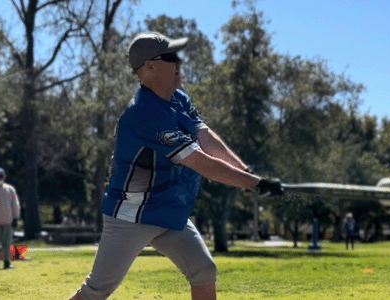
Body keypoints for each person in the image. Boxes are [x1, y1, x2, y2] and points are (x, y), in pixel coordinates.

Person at [67, 32, 284, 300]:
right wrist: (254, 184)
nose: (179, 62)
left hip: (168, 210)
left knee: (203, 270)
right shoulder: (143, 113)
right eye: (171, 57)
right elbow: (198, 161)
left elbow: (206, 137)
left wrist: (248, 174)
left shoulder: (179, 100)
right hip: (132, 216)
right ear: (149, 67)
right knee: (96, 291)